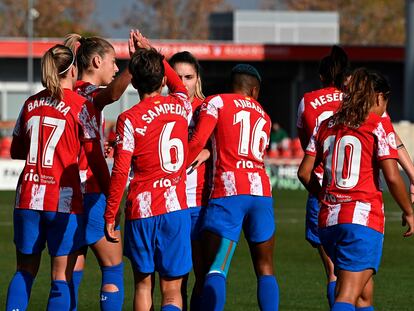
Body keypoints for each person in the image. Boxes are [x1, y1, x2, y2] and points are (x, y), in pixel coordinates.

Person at [297, 68, 414, 311]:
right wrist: (409, 211)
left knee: (363, 296)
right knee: (347, 296)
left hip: (329, 220)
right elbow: (392, 176)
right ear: (378, 97)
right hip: (361, 220)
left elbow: (304, 172)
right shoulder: (377, 125)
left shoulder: (325, 125)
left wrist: (323, 195)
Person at [6, 44, 109, 311]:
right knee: (60, 277)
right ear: (73, 69)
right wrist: (111, 194)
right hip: (62, 200)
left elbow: (17, 150)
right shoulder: (81, 106)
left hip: (27, 197)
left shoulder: (30, 103)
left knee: (24, 271)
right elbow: (96, 159)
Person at [104, 46, 193, 311]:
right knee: (172, 289)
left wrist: (111, 215)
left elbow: (120, 172)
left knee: (143, 285)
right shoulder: (181, 105)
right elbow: (180, 86)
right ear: (163, 79)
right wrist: (156, 55)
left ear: (133, 81)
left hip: (141, 210)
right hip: (175, 208)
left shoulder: (128, 119)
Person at [188, 64, 278, 311]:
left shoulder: (217, 102)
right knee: (265, 268)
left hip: (229, 191)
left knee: (217, 266)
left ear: (232, 85)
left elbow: (197, 141)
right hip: (261, 192)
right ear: (255, 90)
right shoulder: (264, 115)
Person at [63, 32, 136, 310]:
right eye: (113, 62)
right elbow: (114, 92)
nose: (116, 68)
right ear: (96, 61)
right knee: (112, 267)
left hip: (66, 195)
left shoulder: (67, 93)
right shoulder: (90, 93)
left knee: (70, 268)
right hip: (91, 193)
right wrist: (136, 62)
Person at [296, 45, 349, 307]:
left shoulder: (307, 100)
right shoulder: (356, 100)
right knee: (356, 277)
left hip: (321, 188)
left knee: (332, 273)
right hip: (355, 192)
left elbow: (307, 143)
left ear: (321, 77)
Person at [169, 51, 211, 311]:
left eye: (189, 77)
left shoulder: (210, 108)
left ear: (198, 79)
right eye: (177, 76)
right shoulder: (160, 108)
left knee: (203, 274)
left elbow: (227, 145)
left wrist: (209, 151)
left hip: (200, 202)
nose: (183, 82)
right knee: (174, 278)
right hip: (170, 203)